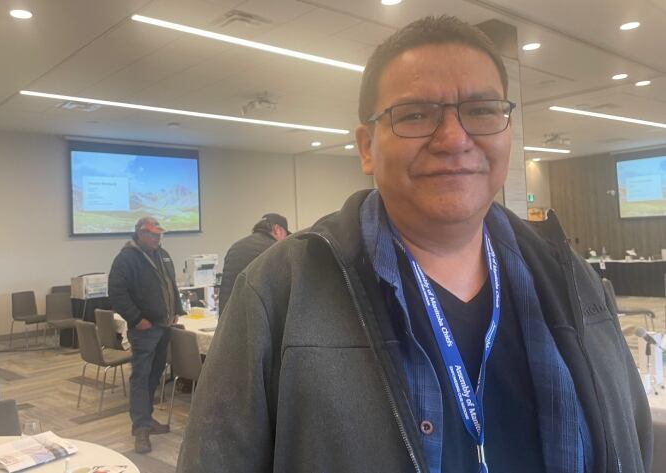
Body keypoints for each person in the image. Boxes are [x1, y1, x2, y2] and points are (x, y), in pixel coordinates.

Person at [176, 15, 651, 473]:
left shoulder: (570, 278)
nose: (453, 138)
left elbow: (631, 441)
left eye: (482, 110)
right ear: (366, 147)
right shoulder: (277, 293)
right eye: (416, 114)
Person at [108, 216, 184, 454]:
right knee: (141, 378)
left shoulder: (162, 254)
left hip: (163, 326)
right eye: (153, 234)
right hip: (145, 329)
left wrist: (177, 310)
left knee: (154, 375)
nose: (158, 238)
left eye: (160, 234)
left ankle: (147, 419)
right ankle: (140, 429)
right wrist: (136, 319)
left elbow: (171, 284)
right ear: (140, 233)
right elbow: (117, 294)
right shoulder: (126, 259)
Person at [217, 213, 290, 314]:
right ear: (277, 229)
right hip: (255, 318)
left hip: (227, 317)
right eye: (285, 235)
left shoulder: (235, 247)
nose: (284, 239)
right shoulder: (275, 249)